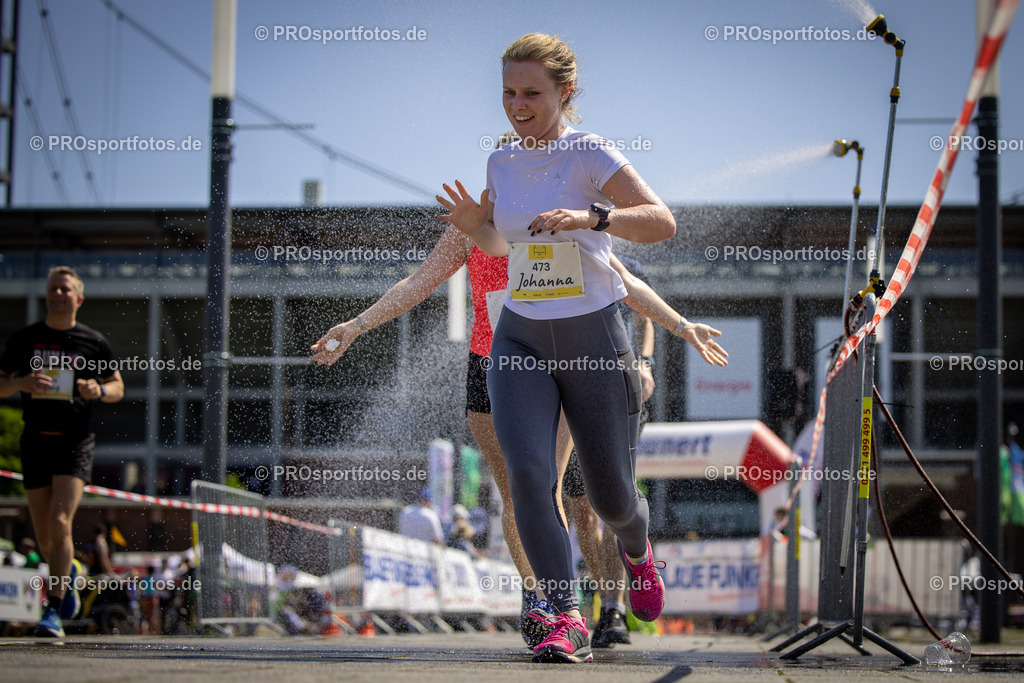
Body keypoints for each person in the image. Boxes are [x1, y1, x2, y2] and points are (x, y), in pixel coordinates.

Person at [436, 33, 727, 663]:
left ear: (565, 92)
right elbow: (500, 244)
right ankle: (563, 614)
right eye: (508, 92)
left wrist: (592, 218)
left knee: (609, 496)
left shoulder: (590, 153)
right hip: (519, 338)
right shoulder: (501, 163)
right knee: (528, 478)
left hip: (594, 338)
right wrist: (475, 227)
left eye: (531, 93)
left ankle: (637, 547)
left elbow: (660, 220)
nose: (517, 104)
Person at [311, 217, 718, 650]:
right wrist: (356, 325)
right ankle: (536, 598)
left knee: (552, 489)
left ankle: (574, 608)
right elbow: (418, 282)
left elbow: (622, 279)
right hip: (490, 363)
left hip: (553, 363)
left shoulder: (559, 221)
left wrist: (679, 326)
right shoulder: (471, 226)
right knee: (514, 493)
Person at [0, 266, 125, 637]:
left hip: (74, 440)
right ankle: (67, 572)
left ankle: (52, 612)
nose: (58, 294)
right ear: (47, 295)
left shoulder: (93, 342)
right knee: (45, 538)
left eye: (65, 289)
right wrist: (22, 381)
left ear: (78, 298)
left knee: (60, 523)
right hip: (36, 439)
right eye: (53, 288)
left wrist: (97, 391)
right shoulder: (25, 339)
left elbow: (117, 386)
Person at [561, 255, 656, 649]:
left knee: (615, 503)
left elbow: (644, 314)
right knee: (581, 508)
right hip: (569, 385)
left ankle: (613, 610)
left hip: (620, 386)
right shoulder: (558, 252)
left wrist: (646, 363)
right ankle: (604, 601)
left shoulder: (625, 259)